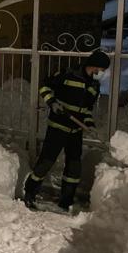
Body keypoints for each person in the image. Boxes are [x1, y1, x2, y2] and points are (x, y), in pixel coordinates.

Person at [23, 50, 110, 212]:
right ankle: (29, 193)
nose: (102, 73)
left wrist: (89, 125)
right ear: (94, 66)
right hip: (57, 128)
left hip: (75, 131)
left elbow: (86, 110)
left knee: (74, 166)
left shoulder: (93, 86)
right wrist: (52, 103)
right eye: (102, 69)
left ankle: (66, 201)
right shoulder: (68, 75)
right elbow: (44, 87)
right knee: (46, 161)